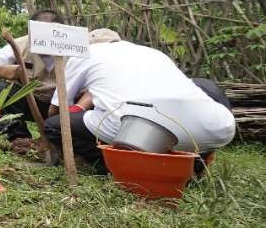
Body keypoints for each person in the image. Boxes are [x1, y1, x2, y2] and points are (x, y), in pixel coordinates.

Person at [44, 38, 236, 172]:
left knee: (53, 126)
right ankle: (196, 163)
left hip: (137, 135)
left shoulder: (86, 54)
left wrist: (47, 124)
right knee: (203, 85)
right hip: (218, 129)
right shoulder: (153, 54)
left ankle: (120, 165)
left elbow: (58, 106)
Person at [0, 9, 64, 141]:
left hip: (64, 105)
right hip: (31, 101)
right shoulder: (20, 44)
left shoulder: (73, 49)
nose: (44, 39)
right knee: (1, 89)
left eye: (49, 34)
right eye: (40, 34)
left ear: (60, 33)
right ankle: (20, 138)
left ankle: (62, 140)